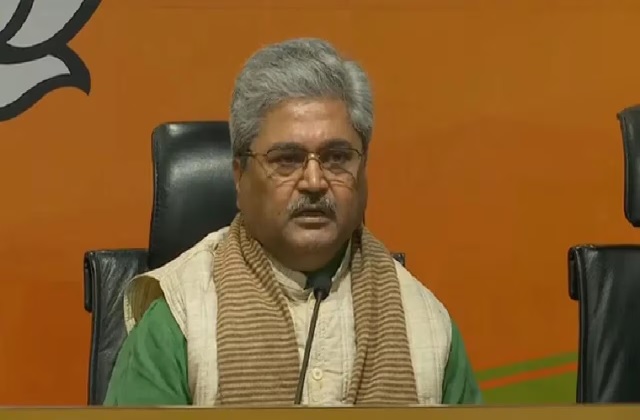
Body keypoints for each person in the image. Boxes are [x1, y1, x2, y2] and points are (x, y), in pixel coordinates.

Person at [103, 37, 482, 407]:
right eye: (287, 160)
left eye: (337, 157)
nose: (314, 182)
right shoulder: (180, 318)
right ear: (239, 176)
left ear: (363, 171)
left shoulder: (426, 326)